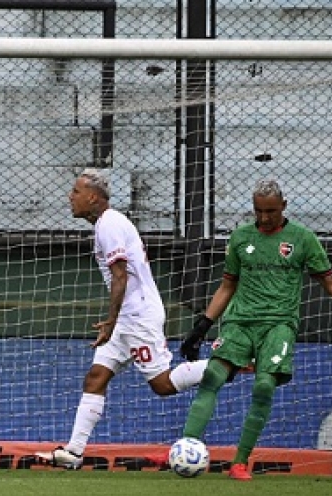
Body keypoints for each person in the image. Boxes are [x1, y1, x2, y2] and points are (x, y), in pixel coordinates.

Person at [178, 179, 332, 481]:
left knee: (263, 386)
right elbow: (227, 285)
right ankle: (185, 447)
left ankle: (240, 462)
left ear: (283, 206)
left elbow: (329, 281)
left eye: (270, 211)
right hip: (239, 322)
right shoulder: (240, 237)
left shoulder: (303, 239)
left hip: (279, 325)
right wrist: (202, 325)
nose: (264, 217)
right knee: (212, 377)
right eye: (258, 211)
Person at [35, 169, 209, 469]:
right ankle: (74, 453)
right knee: (96, 377)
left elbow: (120, 276)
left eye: (75, 192)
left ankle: (226, 362)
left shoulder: (110, 224)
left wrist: (112, 320)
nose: (70, 197)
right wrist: (115, 321)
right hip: (126, 318)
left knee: (162, 385)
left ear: (92, 197)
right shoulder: (107, 223)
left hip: (138, 317)